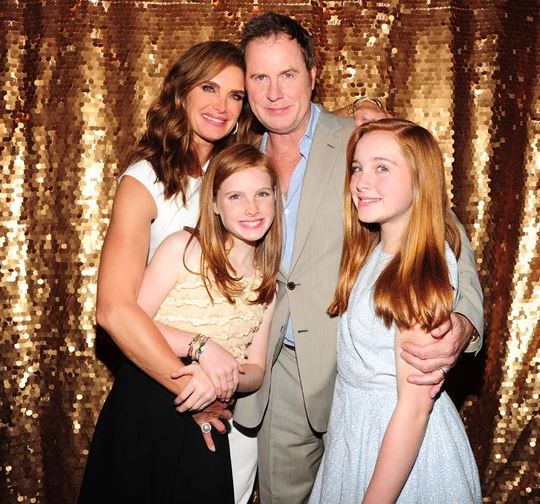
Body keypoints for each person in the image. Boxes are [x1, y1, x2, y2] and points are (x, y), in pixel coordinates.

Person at [233, 12, 484, 503]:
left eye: (287, 74)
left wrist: (463, 322)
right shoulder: (239, 155)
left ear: (312, 75)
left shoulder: (359, 137)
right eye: (259, 77)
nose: (275, 92)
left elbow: (442, 225)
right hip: (278, 377)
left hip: (368, 365)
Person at [79, 42, 264, 503]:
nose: (223, 106)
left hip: (233, 398)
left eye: (237, 95)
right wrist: (193, 391)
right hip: (165, 390)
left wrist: (362, 107)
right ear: (181, 91)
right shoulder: (145, 181)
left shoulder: (240, 175)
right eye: (209, 87)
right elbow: (114, 310)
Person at [310, 118, 482, 503]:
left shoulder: (417, 270)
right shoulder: (377, 252)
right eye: (357, 167)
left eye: (382, 168)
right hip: (359, 437)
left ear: (421, 180)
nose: (361, 181)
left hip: (399, 449)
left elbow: (415, 409)